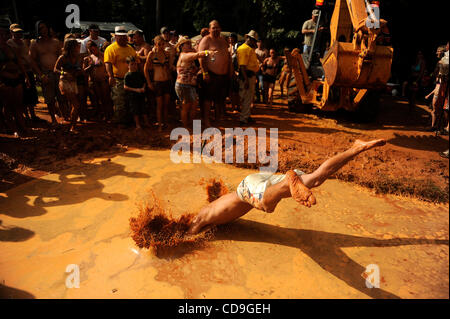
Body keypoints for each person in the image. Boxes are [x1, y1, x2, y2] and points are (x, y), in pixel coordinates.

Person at [187, 139, 387, 235]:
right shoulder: (213, 212)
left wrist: (185, 237)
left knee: (266, 205)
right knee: (317, 178)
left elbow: (190, 233)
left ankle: (289, 180)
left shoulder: (199, 219)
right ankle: (355, 148)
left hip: (250, 187)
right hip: (261, 181)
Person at [175, 37, 217, 128]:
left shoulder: (186, 54)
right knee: (186, 106)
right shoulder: (184, 55)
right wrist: (207, 52)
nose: (190, 45)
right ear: (182, 46)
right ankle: (186, 126)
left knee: (193, 105)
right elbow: (197, 55)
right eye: (188, 44)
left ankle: (189, 125)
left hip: (188, 85)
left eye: (190, 43)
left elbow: (194, 64)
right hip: (183, 85)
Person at [198, 20, 232, 126]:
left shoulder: (223, 40)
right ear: (209, 29)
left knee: (220, 99)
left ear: (220, 29)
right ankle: (207, 119)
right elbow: (201, 57)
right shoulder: (206, 40)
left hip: (223, 75)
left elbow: (228, 57)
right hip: (210, 74)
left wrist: (230, 70)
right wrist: (205, 73)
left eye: (217, 27)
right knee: (207, 99)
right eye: (213, 27)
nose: (216, 29)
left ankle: (217, 119)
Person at [104, 26, 138, 126]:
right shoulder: (111, 49)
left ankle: (128, 120)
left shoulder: (130, 48)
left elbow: (135, 61)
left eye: (124, 36)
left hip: (130, 78)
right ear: (116, 37)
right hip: (117, 79)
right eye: (120, 36)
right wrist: (110, 76)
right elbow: (108, 63)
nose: (123, 38)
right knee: (119, 101)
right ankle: (120, 121)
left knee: (129, 100)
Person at [30, 21, 62, 125]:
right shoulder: (35, 44)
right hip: (45, 74)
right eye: (39, 29)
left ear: (48, 28)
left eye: (43, 28)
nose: (42, 30)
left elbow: (61, 57)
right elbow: (32, 61)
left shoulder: (56, 42)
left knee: (62, 97)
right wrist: (41, 75)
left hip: (58, 73)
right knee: (50, 99)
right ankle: (53, 119)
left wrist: (62, 72)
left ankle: (64, 116)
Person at [0, 22, 29, 136]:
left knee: (18, 105)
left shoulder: (11, 48)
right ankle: (12, 129)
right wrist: (7, 74)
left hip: (17, 78)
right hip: (4, 81)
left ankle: (22, 127)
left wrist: (25, 76)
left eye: (5, 34)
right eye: (0, 34)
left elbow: (20, 63)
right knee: (7, 106)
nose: (3, 37)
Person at [7, 24, 41, 122]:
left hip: (28, 71)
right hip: (19, 72)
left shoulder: (24, 42)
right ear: (11, 32)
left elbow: (28, 57)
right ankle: (25, 116)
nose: (18, 34)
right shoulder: (10, 43)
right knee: (22, 96)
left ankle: (32, 116)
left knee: (31, 94)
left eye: (20, 32)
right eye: (16, 32)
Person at [54, 39, 84, 132]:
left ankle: (71, 124)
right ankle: (72, 126)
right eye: (76, 46)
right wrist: (64, 72)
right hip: (65, 81)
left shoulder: (79, 57)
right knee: (76, 104)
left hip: (74, 81)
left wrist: (80, 71)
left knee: (73, 104)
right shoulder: (62, 57)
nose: (78, 48)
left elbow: (80, 69)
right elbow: (55, 69)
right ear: (71, 47)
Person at [144, 35, 172, 131]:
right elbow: (145, 69)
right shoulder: (151, 54)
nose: (161, 46)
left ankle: (166, 123)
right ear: (155, 44)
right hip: (158, 81)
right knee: (159, 105)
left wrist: (167, 68)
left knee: (166, 104)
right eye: (159, 44)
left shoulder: (166, 53)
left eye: (162, 44)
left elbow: (168, 67)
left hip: (167, 81)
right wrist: (149, 83)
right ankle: (160, 124)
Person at [83, 40, 113, 121]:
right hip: (93, 81)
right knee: (95, 99)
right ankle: (99, 114)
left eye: (93, 49)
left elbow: (110, 67)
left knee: (105, 98)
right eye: (90, 50)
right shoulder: (88, 58)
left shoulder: (104, 56)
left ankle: (108, 115)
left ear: (96, 47)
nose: (92, 51)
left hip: (103, 80)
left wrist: (107, 75)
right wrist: (90, 66)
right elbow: (83, 71)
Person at [236, 30, 259, 125]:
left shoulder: (249, 49)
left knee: (249, 98)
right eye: (253, 40)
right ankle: (243, 118)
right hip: (247, 76)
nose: (254, 42)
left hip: (250, 75)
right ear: (248, 38)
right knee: (246, 97)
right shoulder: (243, 49)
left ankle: (247, 115)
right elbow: (242, 66)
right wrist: (245, 80)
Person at [124, 56, 149, 130]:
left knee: (144, 109)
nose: (134, 66)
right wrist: (136, 90)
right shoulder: (127, 75)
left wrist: (143, 88)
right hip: (133, 96)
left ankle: (146, 123)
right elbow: (125, 87)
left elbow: (144, 82)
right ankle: (138, 125)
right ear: (128, 65)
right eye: (132, 64)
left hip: (141, 94)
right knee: (135, 111)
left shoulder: (139, 73)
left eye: (135, 64)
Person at [228, 33, 240, 113]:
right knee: (231, 91)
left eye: (231, 38)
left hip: (236, 72)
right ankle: (233, 106)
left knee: (237, 91)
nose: (230, 39)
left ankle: (237, 106)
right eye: (229, 38)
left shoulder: (237, 46)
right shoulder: (228, 47)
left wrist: (237, 71)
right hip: (229, 72)